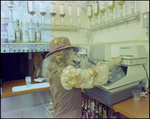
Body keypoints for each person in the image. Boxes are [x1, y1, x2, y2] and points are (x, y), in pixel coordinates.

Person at [42, 37, 122, 118]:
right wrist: (114, 62)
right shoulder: (67, 74)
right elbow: (92, 75)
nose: (73, 56)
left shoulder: (53, 71)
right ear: (63, 56)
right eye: (71, 54)